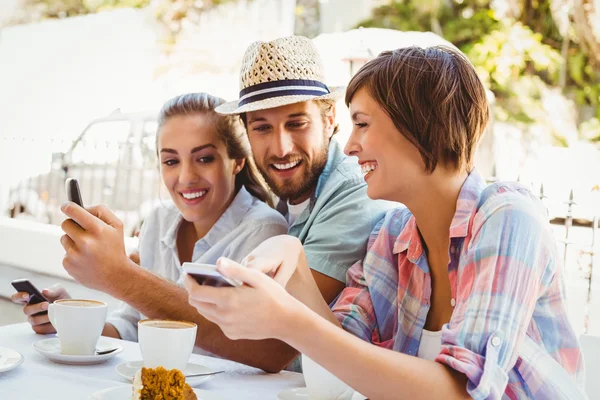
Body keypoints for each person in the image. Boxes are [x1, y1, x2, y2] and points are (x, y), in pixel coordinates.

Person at [184, 46, 586, 399]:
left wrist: (287, 320)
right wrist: (295, 262)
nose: (352, 144)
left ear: (419, 124)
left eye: (361, 123)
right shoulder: (393, 235)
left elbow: (461, 392)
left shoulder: (506, 218)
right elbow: (341, 354)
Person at [12, 92, 287, 348]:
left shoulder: (263, 231)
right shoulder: (159, 220)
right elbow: (133, 325)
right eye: (171, 161)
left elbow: (249, 348)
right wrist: (71, 319)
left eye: (204, 158)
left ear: (236, 162)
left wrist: (118, 274)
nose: (186, 177)